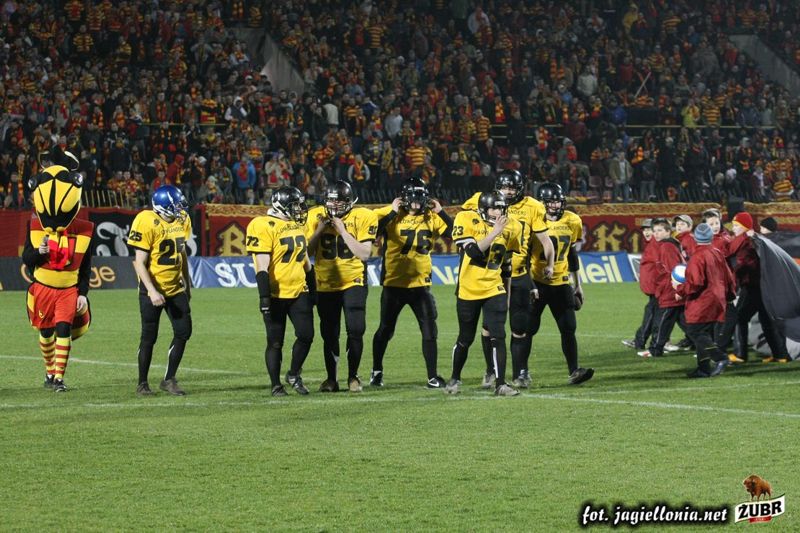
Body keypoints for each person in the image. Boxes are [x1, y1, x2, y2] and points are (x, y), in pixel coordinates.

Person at [461, 170, 554, 389]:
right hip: (492, 274)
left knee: (519, 327)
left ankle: (521, 372)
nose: (508, 191)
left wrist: (549, 265)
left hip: (519, 273)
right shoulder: (480, 199)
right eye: (504, 187)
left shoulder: (533, 207)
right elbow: (465, 221)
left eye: (512, 187)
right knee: (489, 327)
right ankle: (490, 371)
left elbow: (545, 239)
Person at [369, 178, 453, 388]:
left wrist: (442, 212)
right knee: (385, 330)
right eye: (412, 198)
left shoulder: (431, 216)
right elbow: (371, 234)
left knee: (429, 331)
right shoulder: (391, 213)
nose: (416, 203)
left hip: (420, 285)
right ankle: (376, 371)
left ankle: (432, 377)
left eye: (419, 198)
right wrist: (391, 213)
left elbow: (456, 233)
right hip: (394, 284)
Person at [22, 153, 93, 392]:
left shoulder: (84, 230)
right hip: (43, 287)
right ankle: (49, 371)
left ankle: (59, 378)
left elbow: (86, 267)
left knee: (63, 329)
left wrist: (83, 293)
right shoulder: (34, 227)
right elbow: (27, 259)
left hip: (67, 290)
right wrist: (40, 252)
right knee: (46, 332)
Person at [446, 190, 522, 396]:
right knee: (465, 338)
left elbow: (506, 264)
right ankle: (454, 378)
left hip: (494, 287)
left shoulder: (513, 226)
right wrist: (495, 232)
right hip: (469, 288)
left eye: (501, 208)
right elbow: (472, 252)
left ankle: (500, 384)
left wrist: (507, 294)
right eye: (493, 208)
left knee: (498, 335)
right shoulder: (466, 218)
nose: (498, 212)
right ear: (482, 209)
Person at [307, 180, 378, 392]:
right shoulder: (315, 216)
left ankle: (353, 376)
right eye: (331, 200)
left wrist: (343, 231)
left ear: (349, 201)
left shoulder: (363, 216)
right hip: (325, 283)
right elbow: (306, 253)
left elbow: (364, 253)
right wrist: (319, 231)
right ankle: (331, 379)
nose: (334, 205)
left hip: (353, 281)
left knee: (356, 330)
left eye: (339, 201)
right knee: (329, 333)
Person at [246, 186, 316, 396]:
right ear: (281, 205)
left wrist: (314, 290)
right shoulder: (262, 225)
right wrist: (264, 296)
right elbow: (261, 266)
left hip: (299, 290)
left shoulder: (297, 225)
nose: (300, 209)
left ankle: (293, 374)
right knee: (275, 342)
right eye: (295, 205)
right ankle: (276, 385)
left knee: (306, 335)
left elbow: (306, 262)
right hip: (275, 294)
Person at [128, 185, 193, 396]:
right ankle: (142, 383)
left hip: (175, 288)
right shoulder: (146, 220)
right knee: (149, 336)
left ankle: (169, 379)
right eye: (176, 205)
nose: (180, 210)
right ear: (163, 206)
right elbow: (139, 262)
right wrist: (152, 291)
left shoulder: (182, 220)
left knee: (184, 331)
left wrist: (187, 283)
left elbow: (182, 253)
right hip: (152, 289)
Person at [528, 183, 594, 385]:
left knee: (568, 328)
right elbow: (523, 255)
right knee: (527, 328)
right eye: (551, 202)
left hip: (561, 281)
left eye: (557, 201)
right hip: (536, 281)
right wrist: (527, 284)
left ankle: (574, 371)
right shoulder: (533, 220)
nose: (555, 205)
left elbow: (571, 253)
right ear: (542, 203)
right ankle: (521, 371)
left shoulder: (572, 220)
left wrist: (578, 284)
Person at [725, 212, 789, 363]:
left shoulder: (747, 242)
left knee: (739, 317)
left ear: (744, 226)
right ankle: (780, 355)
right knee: (767, 320)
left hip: (753, 286)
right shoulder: (753, 239)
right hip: (763, 286)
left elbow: (745, 265)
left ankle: (740, 354)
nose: (733, 228)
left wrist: (732, 277)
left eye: (736, 225)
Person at [673, 223, 736, 378]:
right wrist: (729, 296)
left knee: (695, 331)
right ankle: (703, 369)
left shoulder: (697, 256)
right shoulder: (717, 253)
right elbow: (729, 277)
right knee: (705, 333)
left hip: (703, 300)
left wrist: (680, 290)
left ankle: (720, 357)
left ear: (695, 238)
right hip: (718, 299)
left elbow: (696, 283)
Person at [638, 219, 684, 358]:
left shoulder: (666, 247)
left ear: (668, 232)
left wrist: (676, 289)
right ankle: (707, 346)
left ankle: (655, 349)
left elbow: (673, 270)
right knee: (687, 324)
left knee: (662, 321)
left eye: (659, 230)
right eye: (655, 231)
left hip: (669, 291)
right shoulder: (669, 245)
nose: (656, 234)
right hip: (671, 290)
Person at [623, 219, 656, 350]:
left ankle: (641, 342)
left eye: (649, 229)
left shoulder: (657, 245)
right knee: (672, 316)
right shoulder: (650, 245)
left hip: (660, 289)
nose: (646, 232)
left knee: (652, 314)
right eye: (644, 230)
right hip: (655, 289)